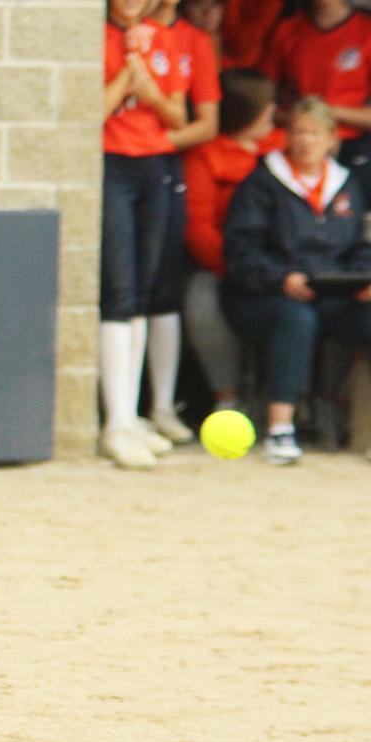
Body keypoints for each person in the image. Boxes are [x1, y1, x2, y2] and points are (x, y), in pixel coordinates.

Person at [223, 95, 371, 464]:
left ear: (332, 139)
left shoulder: (347, 184)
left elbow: (359, 246)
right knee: (296, 318)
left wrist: (363, 278)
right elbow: (242, 253)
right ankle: (280, 429)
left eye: (316, 133)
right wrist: (281, 278)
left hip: (332, 294)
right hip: (265, 296)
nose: (307, 141)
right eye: (300, 131)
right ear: (287, 136)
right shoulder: (261, 183)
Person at [100, 0, 187, 469]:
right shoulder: (100, 36)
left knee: (143, 291)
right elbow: (94, 110)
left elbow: (175, 114)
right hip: (114, 164)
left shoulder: (163, 36)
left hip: (154, 167)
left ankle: (131, 417)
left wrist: (147, 88)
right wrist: (128, 71)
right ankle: (115, 421)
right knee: (119, 290)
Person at [140, 0, 221, 445]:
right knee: (128, 292)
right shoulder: (134, 31)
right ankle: (133, 411)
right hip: (135, 164)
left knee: (163, 286)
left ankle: (164, 406)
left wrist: (155, 139)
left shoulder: (194, 39)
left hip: (168, 165)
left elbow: (206, 123)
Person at [182, 68, 285, 412]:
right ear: (247, 113)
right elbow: (199, 229)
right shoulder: (205, 155)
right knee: (201, 300)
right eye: (267, 107)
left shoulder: (282, 148)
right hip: (226, 265)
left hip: (283, 265)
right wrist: (240, 267)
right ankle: (226, 398)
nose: (274, 112)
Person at [258, 0, 371, 196]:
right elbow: (260, 101)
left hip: (352, 142)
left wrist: (325, 114)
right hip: (296, 140)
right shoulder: (288, 29)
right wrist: (304, 121)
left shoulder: (366, 30)